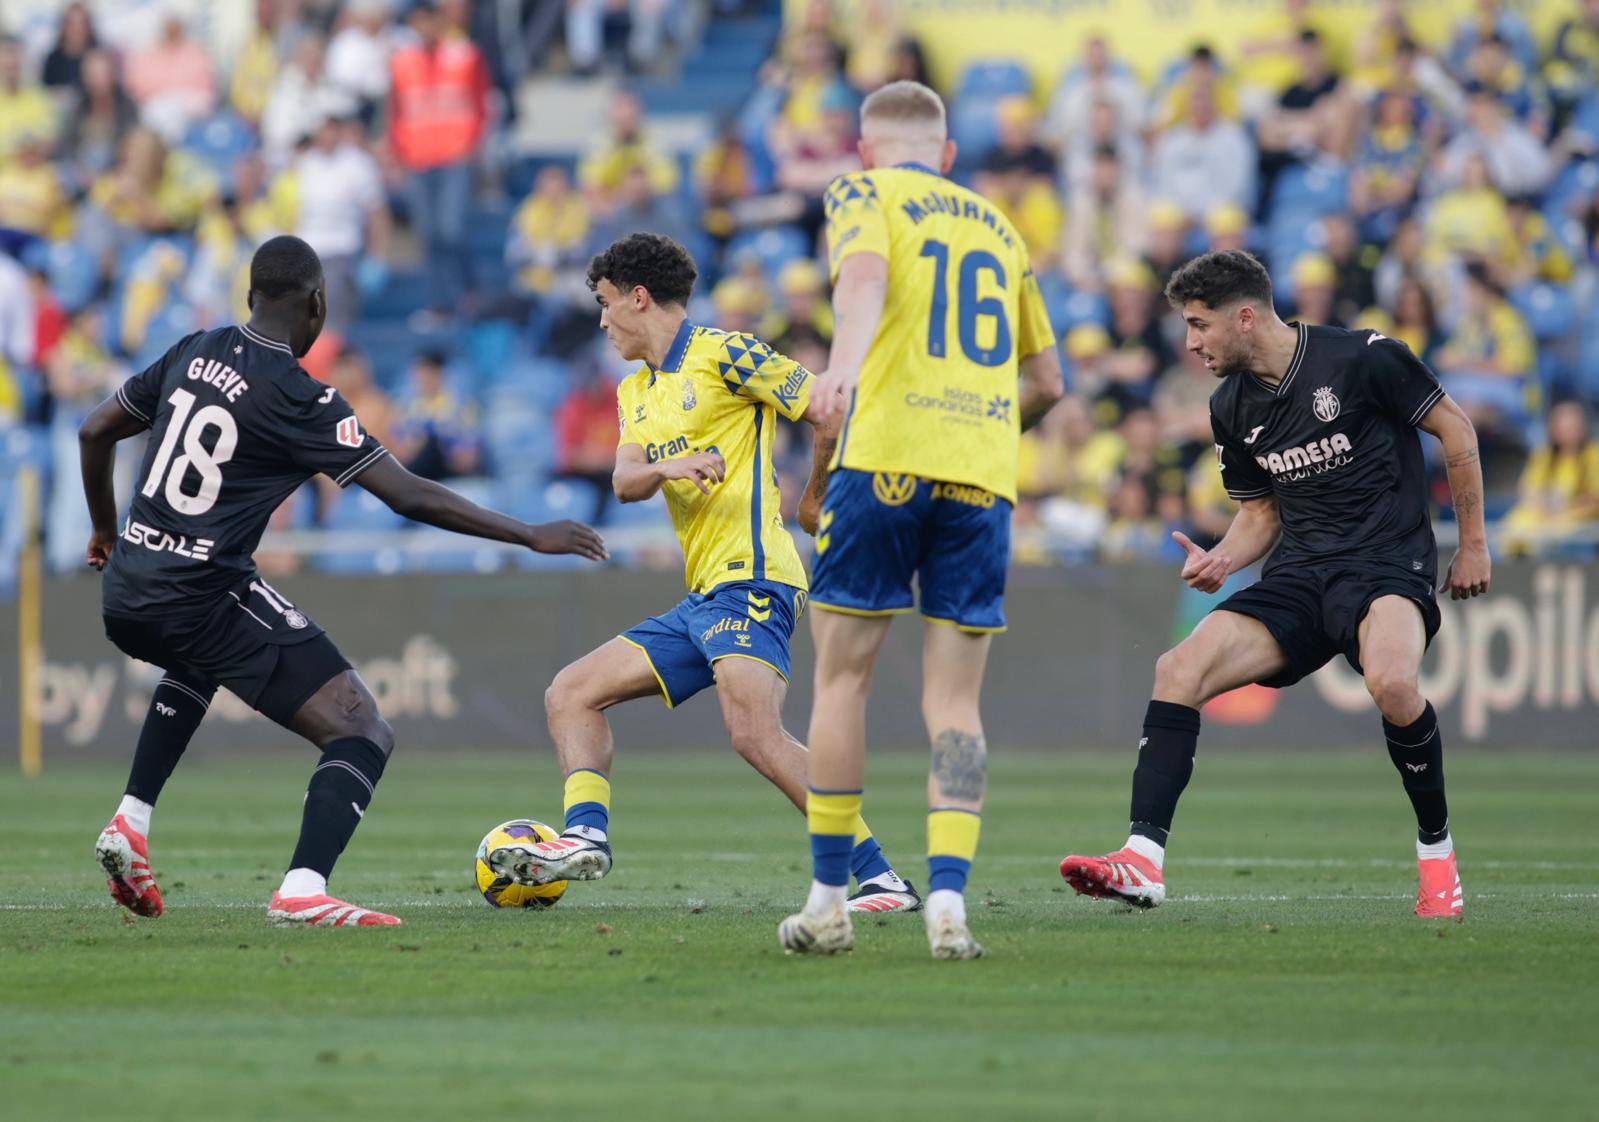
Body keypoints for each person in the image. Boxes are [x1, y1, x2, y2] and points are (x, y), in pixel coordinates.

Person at [81, 235, 606, 928]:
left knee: (196, 658)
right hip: (199, 593)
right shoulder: (303, 397)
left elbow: (94, 430)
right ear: (316, 303)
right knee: (361, 729)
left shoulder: (194, 348)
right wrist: (528, 532)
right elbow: (410, 495)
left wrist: (103, 532)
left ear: (251, 297)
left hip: (126, 588)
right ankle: (302, 888)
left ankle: (131, 820)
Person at [483, 233, 922, 916]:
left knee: (753, 734)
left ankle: (882, 879)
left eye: (604, 304)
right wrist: (669, 467)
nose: (600, 321)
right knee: (571, 692)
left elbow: (829, 409)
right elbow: (626, 481)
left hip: (754, 579)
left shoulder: (730, 354)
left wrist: (812, 497)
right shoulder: (636, 391)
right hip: (703, 597)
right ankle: (585, 839)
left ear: (638, 298)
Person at [1057, 249, 1489, 919]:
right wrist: (1222, 560)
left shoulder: (1363, 357)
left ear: (1246, 317)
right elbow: (1259, 514)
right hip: (1299, 575)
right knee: (1177, 668)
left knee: (1393, 684)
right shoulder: (1229, 404)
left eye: (1199, 325)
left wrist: (1471, 545)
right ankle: (1141, 859)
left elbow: (1454, 428)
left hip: (1383, 565)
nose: (1191, 342)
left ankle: (1436, 855)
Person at [781, 81, 1063, 960]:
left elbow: (863, 277)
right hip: (980, 476)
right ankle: (948, 907)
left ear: (867, 151)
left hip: (886, 458)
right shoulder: (999, 226)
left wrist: (843, 371)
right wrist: (974, 423)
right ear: (946, 155)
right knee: (955, 703)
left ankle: (831, 900)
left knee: (840, 681)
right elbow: (1048, 382)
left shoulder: (862, 193)